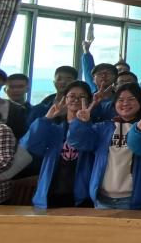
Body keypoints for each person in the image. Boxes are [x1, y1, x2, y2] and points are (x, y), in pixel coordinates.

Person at [67, 83, 141, 210]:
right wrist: (81, 124)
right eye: (120, 100)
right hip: (102, 198)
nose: (125, 103)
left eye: (131, 99)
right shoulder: (103, 128)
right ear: (114, 104)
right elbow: (80, 143)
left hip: (134, 198)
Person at [20, 80, 95, 209]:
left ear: (88, 101)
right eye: (72, 96)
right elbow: (29, 144)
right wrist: (46, 119)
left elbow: (84, 142)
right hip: (51, 192)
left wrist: (82, 122)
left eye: (82, 97)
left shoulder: (94, 129)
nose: (76, 100)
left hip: (82, 195)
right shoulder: (54, 129)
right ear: (65, 99)